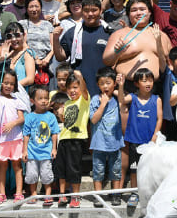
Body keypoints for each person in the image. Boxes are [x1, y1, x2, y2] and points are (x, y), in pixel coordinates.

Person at [118, 69, 162, 208]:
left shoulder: (157, 99)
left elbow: (159, 118)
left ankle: (149, 193)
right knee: (134, 169)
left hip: (150, 142)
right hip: (134, 141)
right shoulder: (133, 97)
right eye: (144, 80)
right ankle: (134, 193)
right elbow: (121, 100)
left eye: (150, 80)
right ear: (137, 83)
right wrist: (120, 85)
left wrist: (155, 135)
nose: (148, 83)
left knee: (150, 169)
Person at [104, 0, 171, 84]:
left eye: (142, 9)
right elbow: (106, 61)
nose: (138, 13)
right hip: (127, 88)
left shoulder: (162, 35)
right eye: (134, 10)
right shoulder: (119, 34)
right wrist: (116, 53)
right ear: (128, 14)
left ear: (150, 12)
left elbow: (171, 63)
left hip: (156, 89)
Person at [54, 0, 111, 98]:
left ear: (101, 11)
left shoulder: (109, 32)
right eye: (86, 11)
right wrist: (55, 39)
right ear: (81, 11)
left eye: (94, 10)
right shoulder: (73, 33)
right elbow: (60, 57)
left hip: (104, 89)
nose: (90, 14)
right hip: (79, 89)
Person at [89, 67, 124, 207]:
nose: (105, 86)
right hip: (99, 143)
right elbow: (93, 120)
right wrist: (102, 105)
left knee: (115, 170)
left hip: (115, 142)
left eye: (108, 82)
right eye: (102, 83)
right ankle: (98, 195)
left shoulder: (116, 99)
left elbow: (123, 100)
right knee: (98, 170)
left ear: (114, 83)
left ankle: (116, 194)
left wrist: (121, 86)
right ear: (98, 85)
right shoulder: (95, 100)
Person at [0, 69, 27, 204]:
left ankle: (18, 193)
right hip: (1, 139)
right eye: (5, 83)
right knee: (2, 166)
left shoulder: (17, 99)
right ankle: (2, 193)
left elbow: (21, 118)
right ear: (0, 83)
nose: (8, 86)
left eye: (11, 84)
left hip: (16, 138)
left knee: (17, 166)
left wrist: (13, 123)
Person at [57, 70, 90, 208]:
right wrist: (60, 115)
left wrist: (80, 77)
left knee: (74, 169)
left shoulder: (84, 99)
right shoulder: (67, 103)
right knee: (61, 169)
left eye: (75, 87)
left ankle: (75, 196)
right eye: (69, 88)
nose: (72, 90)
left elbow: (84, 89)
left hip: (77, 139)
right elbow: (66, 122)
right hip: (64, 138)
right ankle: (62, 194)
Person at [23, 85, 59, 206]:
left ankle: (47, 194)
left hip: (46, 152)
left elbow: (54, 133)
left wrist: (54, 148)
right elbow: (26, 135)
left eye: (46, 98)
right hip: (32, 152)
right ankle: (33, 194)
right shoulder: (30, 117)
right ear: (33, 101)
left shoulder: (51, 116)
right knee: (32, 174)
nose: (44, 101)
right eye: (40, 98)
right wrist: (24, 151)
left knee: (46, 174)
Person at [20, 0, 56, 81]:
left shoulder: (48, 24)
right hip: (29, 63)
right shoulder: (22, 24)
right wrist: (35, 59)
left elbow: (53, 44)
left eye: (36, 6)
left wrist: (47, 58)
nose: (34, 9)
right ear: (26, 8)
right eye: (31, 7)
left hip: (47, 63)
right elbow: (23, 43)